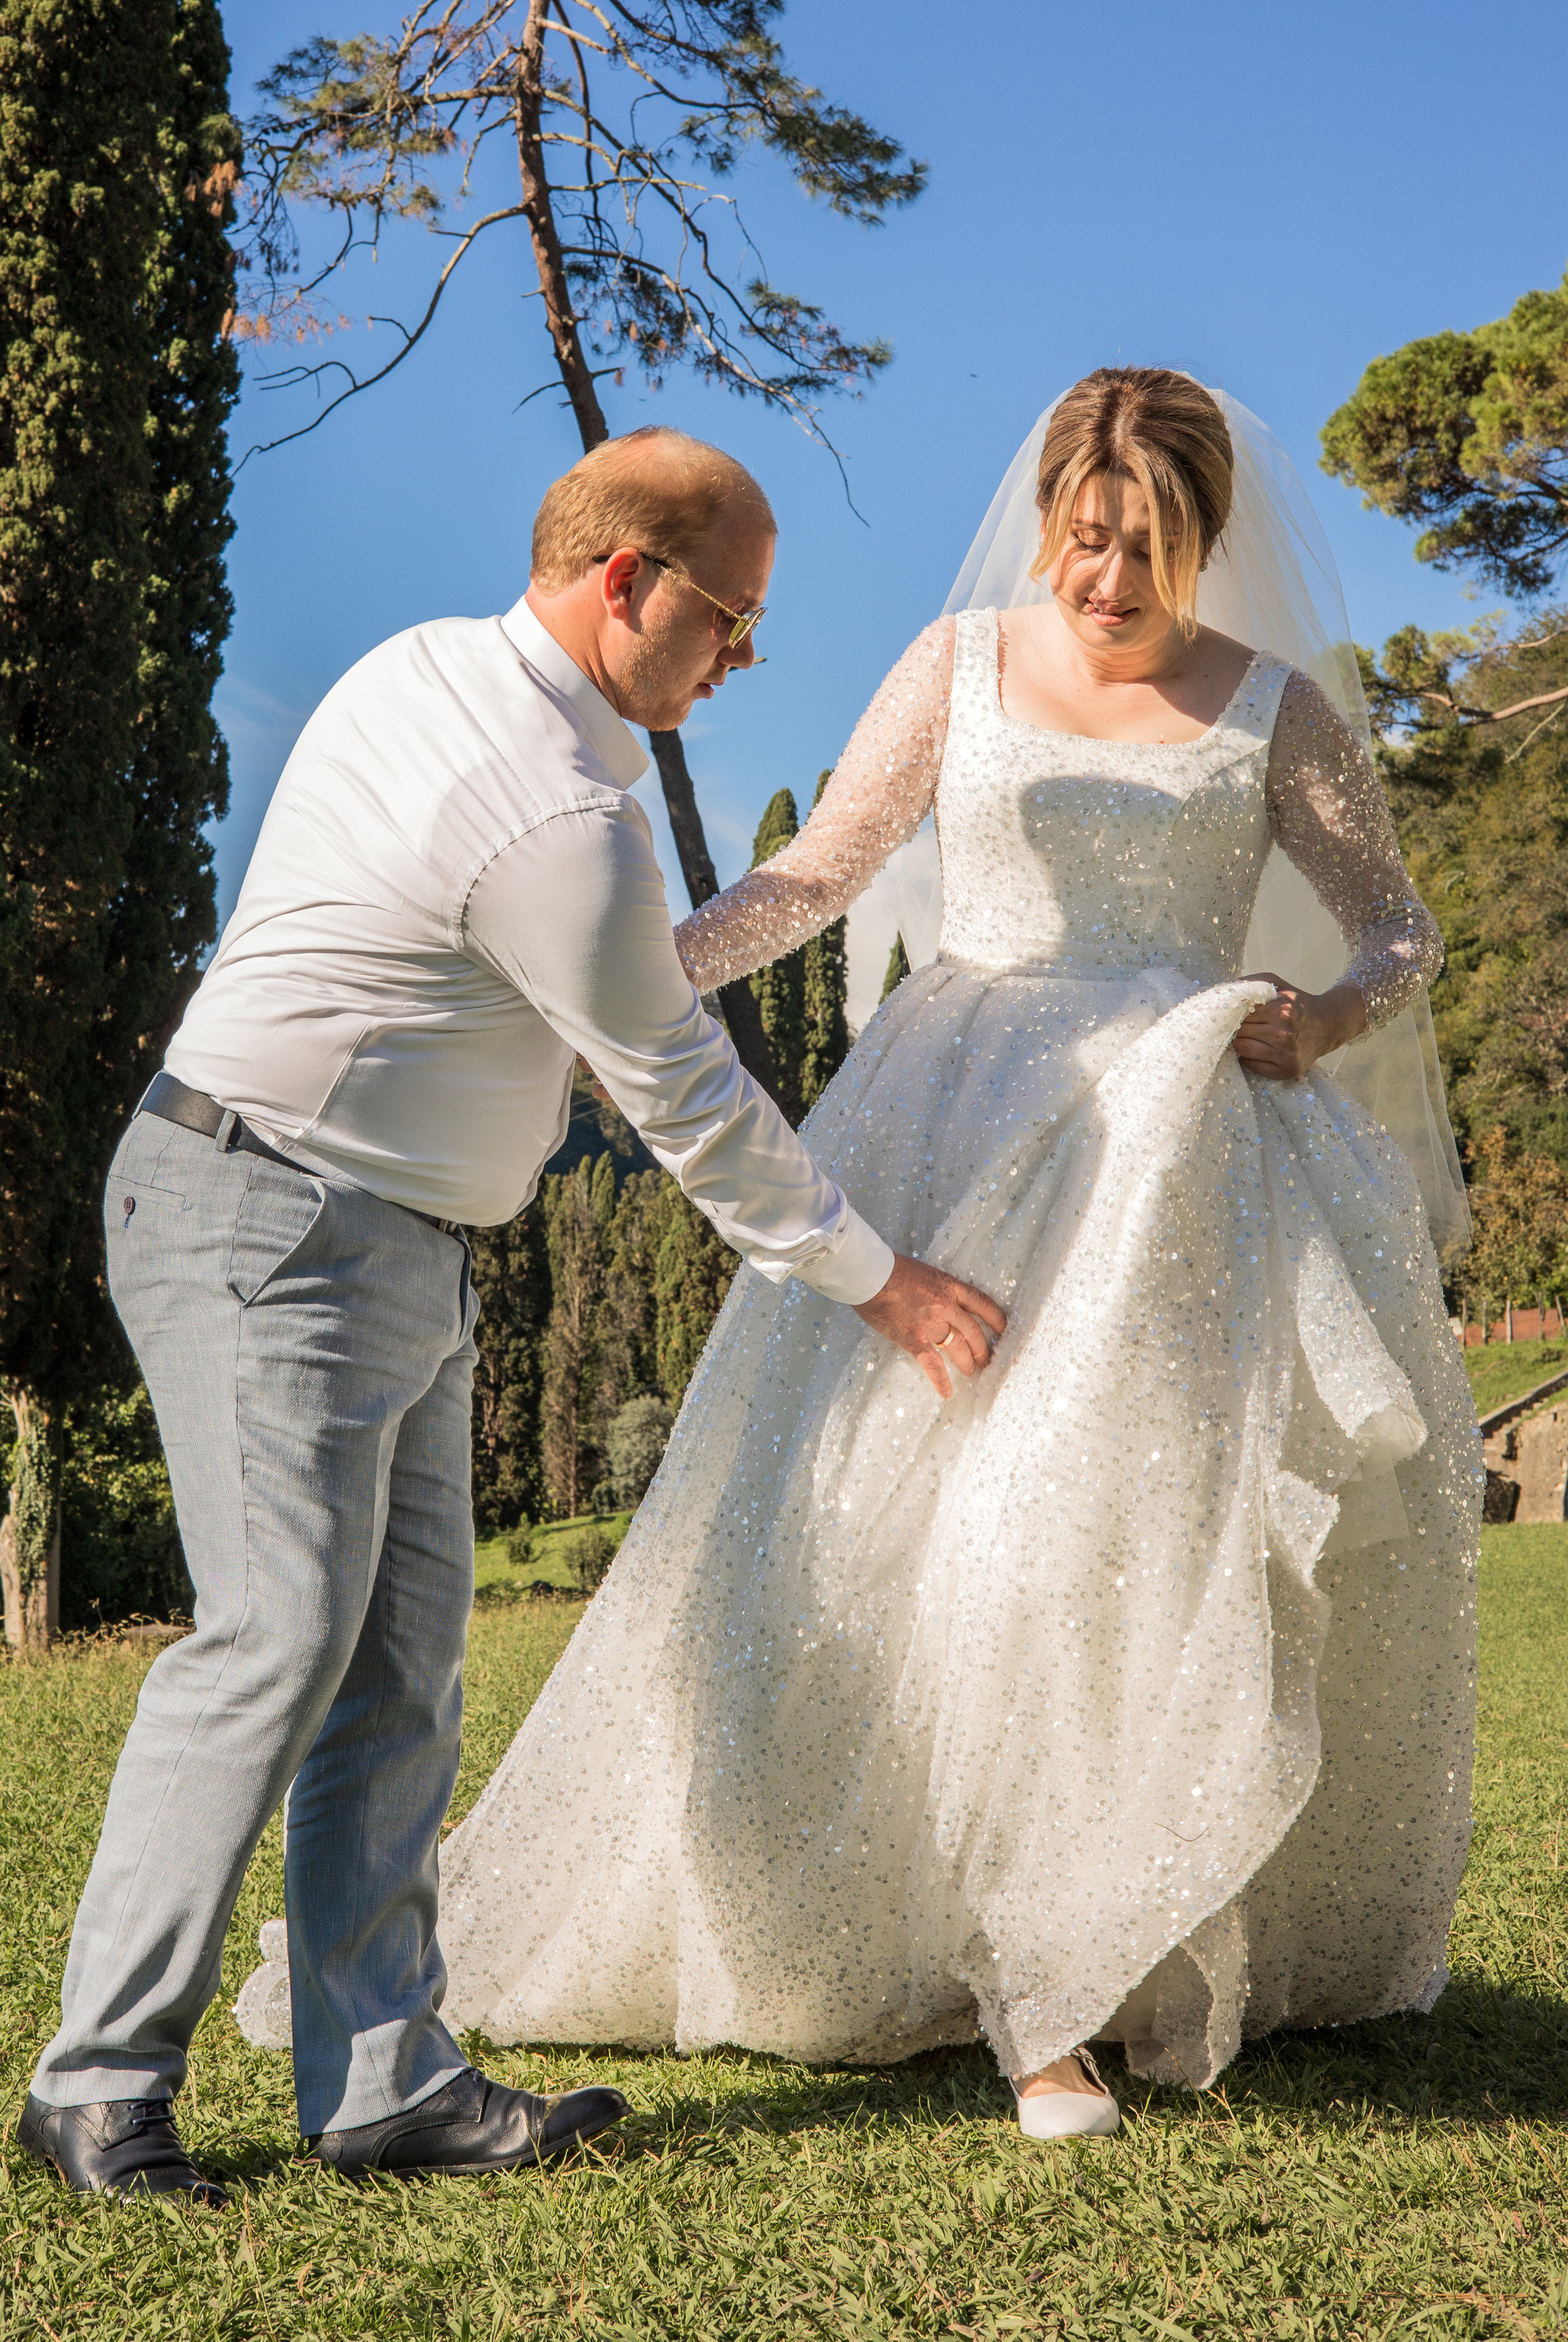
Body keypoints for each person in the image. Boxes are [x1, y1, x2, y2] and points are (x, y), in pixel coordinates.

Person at [436, 368, 1483, 2143]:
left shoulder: (1274, 710)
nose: (1106, 583)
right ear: (1050, 522)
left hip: (1191, 1156)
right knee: (911, 1529)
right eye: (1085, 544)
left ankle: (1084, 1968)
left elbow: (1400, 927)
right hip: (959, 1123)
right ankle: (972, 1956)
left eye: (1145, 553)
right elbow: (818, 873)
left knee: (1122, 1542)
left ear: (1202, 541)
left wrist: (1324, 1013)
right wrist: (620, 979)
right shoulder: (957, 667)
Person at [16, 427, 1004, 2201]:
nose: (741, 656)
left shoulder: (432, 676)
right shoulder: (556, 818)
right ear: (623, 580)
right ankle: (95, 2087)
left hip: (387, 1237)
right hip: (269, 1214)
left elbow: (580, 988)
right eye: (730, 616)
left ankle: (383, 2081)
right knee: (275, 1643)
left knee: (398, 1674)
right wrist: (886, 1282)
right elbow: (685, 1103)